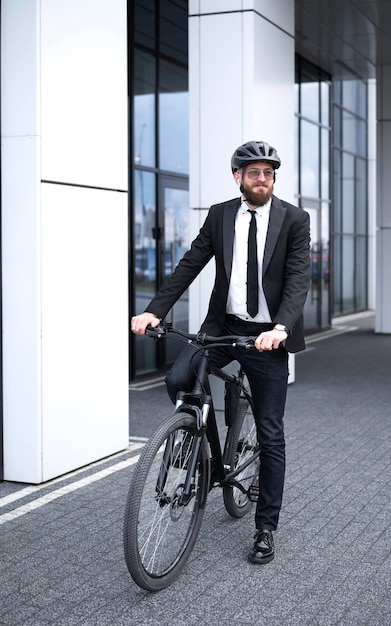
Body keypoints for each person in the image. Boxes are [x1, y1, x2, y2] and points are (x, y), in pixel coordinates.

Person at [131, 140, 311, 564]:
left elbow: (299, 278)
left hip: (269, 335)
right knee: (180, 378)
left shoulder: (295, 220)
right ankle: (194, 444)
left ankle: (265, 526)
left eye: (268, 173)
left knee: (270, 432)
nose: (262, 179)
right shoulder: (221, 215)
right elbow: (190, 264)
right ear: (238, 177)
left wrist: (281, 328)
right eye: (254, 173)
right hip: (223, 327)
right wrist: (155, 310)